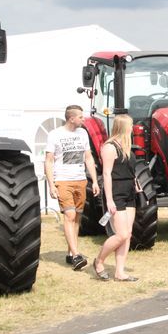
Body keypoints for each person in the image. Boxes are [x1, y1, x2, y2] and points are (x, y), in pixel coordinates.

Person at [44, 104, 100, 271]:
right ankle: (76, 255)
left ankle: (70, 252)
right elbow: (48, 160)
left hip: (80, 180)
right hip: (63, 180)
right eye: (81, 117)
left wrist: (95, 181)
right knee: (69, 215)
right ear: (71, 118)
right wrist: (51, 184)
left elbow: (88, 158)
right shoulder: (55, 135)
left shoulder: (83, 133)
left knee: (77, 218)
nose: (83, 119)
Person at [92, 114, 140, 282]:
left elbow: (128, 169)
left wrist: (135, 182)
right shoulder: (109, 147)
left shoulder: (127, 146)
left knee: (128, 233)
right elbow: (106, 174)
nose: (133, 128)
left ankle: (120, 272)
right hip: (116, 193)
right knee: (121, 234)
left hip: (129, 192)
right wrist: (110, 199)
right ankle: (99, 261)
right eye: (131, 125)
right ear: (123, 127)